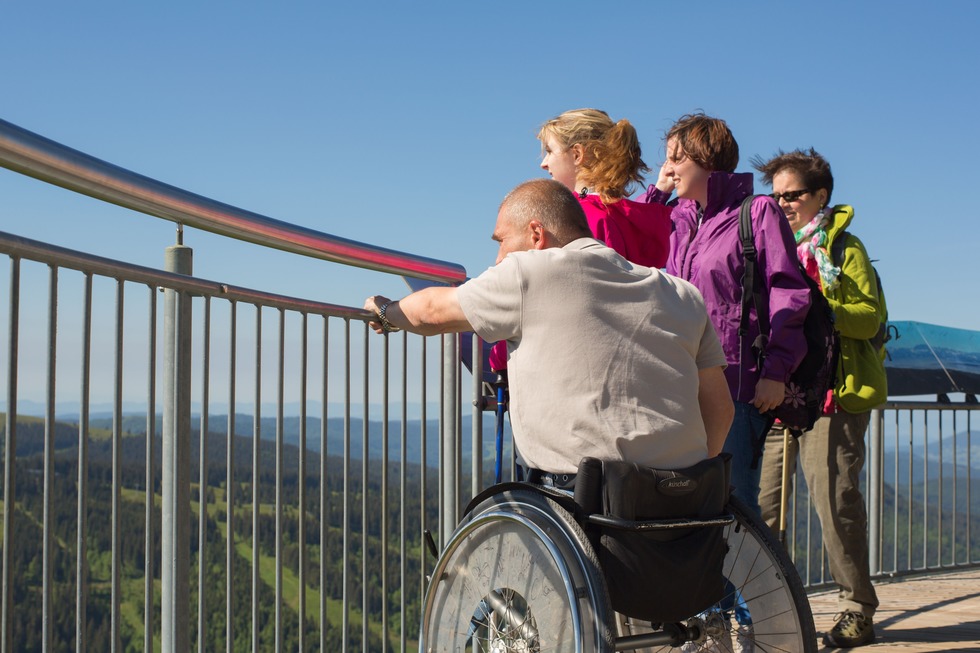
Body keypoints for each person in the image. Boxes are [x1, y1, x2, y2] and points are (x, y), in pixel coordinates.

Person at [365, 178, 734, 475]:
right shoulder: (682, 294)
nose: (497, 258)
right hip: (686, 496)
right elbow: (720, 409)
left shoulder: (530, 271)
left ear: (536, 235)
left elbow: (430, 310)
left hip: (583, 495)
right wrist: (687, 472)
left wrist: (386, 312)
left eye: (501, 241)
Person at [638, 113, 811, 517]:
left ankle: (744, 584)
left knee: (733, 507)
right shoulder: (677, 219)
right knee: (684, 504)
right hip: (677, 382)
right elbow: (635, 254)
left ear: (707, 160)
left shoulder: (756, 212)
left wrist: (776, 372)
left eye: (677, 158)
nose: (668, 168)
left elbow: (790, 292)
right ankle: (704, 583)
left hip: (736, 384)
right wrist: (657, 194)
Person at [753, 148, 884, 648]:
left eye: (794, 195)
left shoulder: (844, 250)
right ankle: (771, 610)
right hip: (781, 396)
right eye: (777, 195)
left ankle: (856, 609)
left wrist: (819, 299)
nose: (783, 203)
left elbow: (868, 319)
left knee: (835, 503)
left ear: (821, 196)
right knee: (762, 507)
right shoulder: (770, 248)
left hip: (833, 395)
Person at [489, 108, 672, 372]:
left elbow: (541, 295)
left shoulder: (575, 220)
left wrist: (498, 356)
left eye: (549, 151)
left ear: (576, 155)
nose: (543, 163)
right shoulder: (626, 219)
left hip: (574, 366)